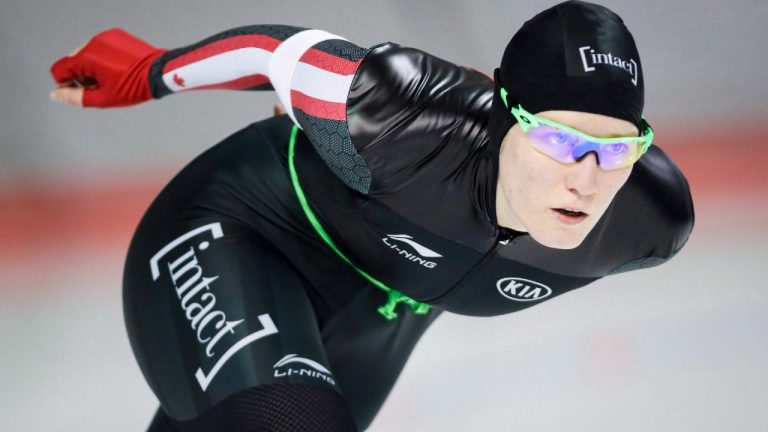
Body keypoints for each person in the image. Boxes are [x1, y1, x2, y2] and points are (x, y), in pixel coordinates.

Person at [49, 1, 694, 430]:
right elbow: (275, 52)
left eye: (615, 149)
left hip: (379, 311)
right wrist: (149, 73)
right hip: (246, 229)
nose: (585, 178)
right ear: (502, 123)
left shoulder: (647, 222)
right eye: (557, 139)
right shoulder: (401, 114)